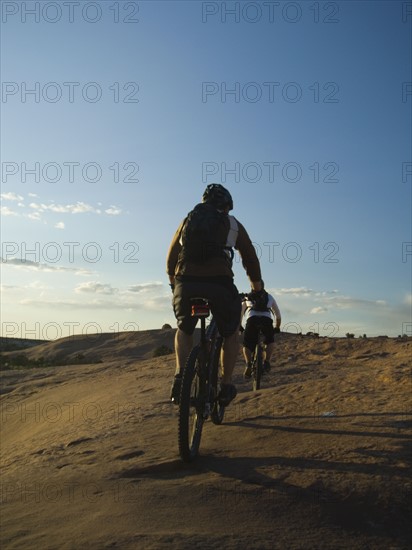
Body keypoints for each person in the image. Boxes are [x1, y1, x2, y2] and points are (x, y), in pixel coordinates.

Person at [166, 183, 263, 406]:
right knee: (230, 332)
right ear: (226, 206)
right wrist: (257, 289)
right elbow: (250, 258)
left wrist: (174, 284)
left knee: (184, 328)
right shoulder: (232, 224)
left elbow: (171, 258)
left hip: (185, 282)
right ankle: (227, 383)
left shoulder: (186, 222)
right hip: (219, 284)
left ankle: (181, 375)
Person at [241, 286, 281, 378]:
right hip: (266, 320)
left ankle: (248, 364)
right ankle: (266, 361)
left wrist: (240, 326)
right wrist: (277, 327)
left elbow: (241, 313)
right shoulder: (269, 297)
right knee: (270, 341)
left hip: (252, 319)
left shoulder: (248, 297)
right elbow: (278, 315)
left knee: (247, 344)